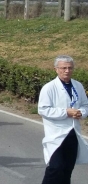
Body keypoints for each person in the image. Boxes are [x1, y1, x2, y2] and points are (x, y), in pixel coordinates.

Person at [38, 55, 88, 184]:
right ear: (56, 69)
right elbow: (43, 109)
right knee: (55, 168)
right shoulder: (49, 88)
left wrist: (80, 113)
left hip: (73, 134)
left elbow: (85, 105)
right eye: (63, 68)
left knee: (67, 169)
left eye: (70, 68)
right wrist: (65, 112)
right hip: (56, 135)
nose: (67, 71)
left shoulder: (78, 86)